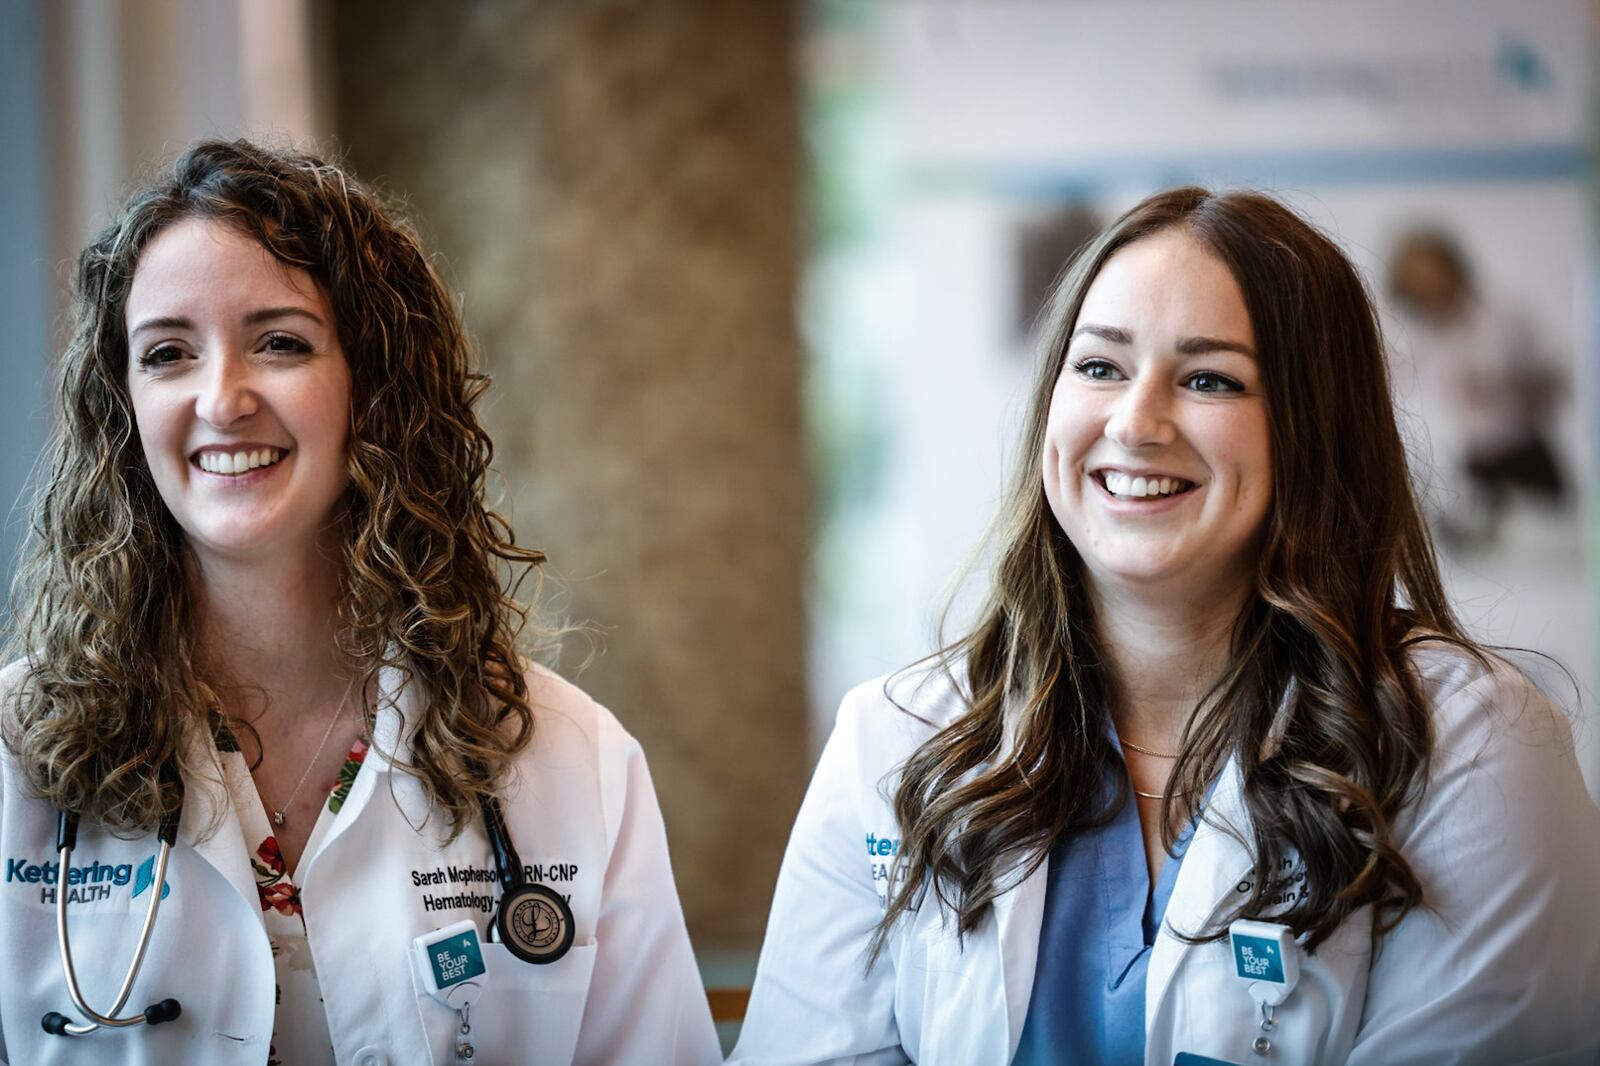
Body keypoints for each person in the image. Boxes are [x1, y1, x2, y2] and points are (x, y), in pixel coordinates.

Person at [730, 188, 1600, 1065]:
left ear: (1315, 431)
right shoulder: (896, 737)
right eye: (1100, 367)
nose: (1136, 424)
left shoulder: (1472, 748)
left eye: (1209, 379)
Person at [0, 140, 720, 1065]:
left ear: (374, 387)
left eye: (281, 343)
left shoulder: (570, 761)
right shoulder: (16, 756)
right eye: (168, 353)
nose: (222, 399)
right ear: (124, 405)